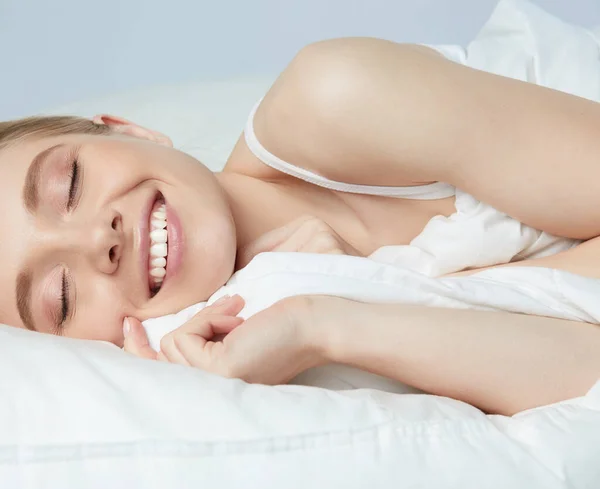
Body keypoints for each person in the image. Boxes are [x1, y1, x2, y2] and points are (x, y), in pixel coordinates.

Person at [1, 38, 599, 415]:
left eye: (70, 184)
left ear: (131, 131)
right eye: (60, 297)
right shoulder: (249, 359)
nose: (97, 241)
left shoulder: (335, 98)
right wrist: (323, 320)